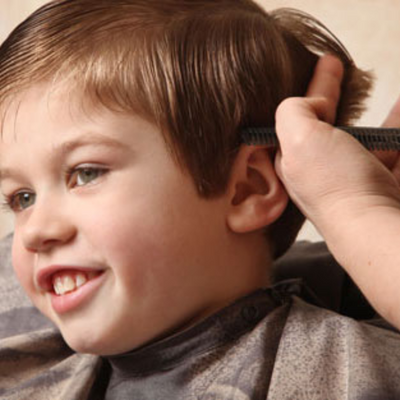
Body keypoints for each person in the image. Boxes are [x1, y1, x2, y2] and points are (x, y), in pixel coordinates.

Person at [0, 0, 400, 399]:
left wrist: (354, 209)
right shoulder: (22, 339)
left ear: (246, 190)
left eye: (86, 173)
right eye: (22, 198)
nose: (36, 231)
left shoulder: (340, 370)